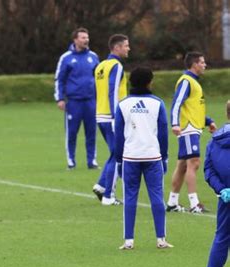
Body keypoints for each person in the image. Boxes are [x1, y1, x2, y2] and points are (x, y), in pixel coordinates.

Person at [114, 67, 172, 250]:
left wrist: (118, 160)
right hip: (152, 156)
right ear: (149, 82)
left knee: (130, 197)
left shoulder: (123, 104)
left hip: (130, 157)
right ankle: (161, 239)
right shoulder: (158, 103)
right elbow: (163, 133)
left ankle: (128, 241)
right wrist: (164, 156)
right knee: (156, 196)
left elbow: (118, 136)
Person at [166, 52, 217, 213]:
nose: (204, 65)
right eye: (202, 62)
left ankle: (172, 202)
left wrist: (208, 121)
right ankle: (194, 204)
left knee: (182, 165)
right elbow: (176, 103)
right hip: (188, 128)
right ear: (194, 64)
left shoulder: (193, 82)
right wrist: (174, 123)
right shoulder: (186, 81)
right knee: (194, 163)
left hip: (193, 127)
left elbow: (194, 106)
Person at [54, 27, 100, 170]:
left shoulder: (93, 56)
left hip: (91, 101)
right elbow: (59, 79)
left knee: (91, 132)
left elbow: (99, 79)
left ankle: (91, 161)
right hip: (74, 102)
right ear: (75, 39)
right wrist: (60, 98)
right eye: (82, 37)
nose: (86, 40)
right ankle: (71, 161)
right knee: (72, 132)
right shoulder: (66, 58)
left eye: (87, 37)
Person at [92, 34, 130, 206]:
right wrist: (117, 117)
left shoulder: (100, 66)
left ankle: (101, 185)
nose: (128, 49)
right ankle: (109, 196)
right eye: (126, 46)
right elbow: (112, 91)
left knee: (115, 152)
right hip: (112, 116)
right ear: (117, 47)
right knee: (119, 155)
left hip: (100, 115)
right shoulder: (116, 66)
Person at [202, 101, 230, 267]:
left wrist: (221, 189)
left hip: (226, 197)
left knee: (222, 235)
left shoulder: (214, 141)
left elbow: (209, 170)